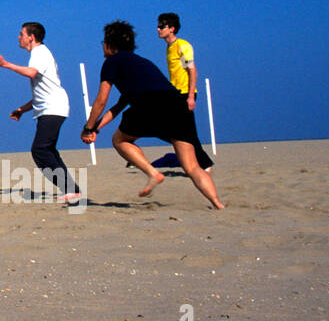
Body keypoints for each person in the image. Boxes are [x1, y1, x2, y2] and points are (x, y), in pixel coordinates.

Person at [79, 21, 225, 209]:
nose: (102, 47)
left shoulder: (111, 62)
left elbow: (101, 100)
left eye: (103, 43)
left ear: (110, 45)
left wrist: (88, 127)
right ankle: (217, 203)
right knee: (192, 166)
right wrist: (96, 128)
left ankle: (152, 173)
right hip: (177, 105)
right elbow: (117, 107)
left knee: (119, 140)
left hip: (150, 104)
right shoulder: (142, 63)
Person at [0, 22, 81, 202]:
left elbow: (31, 73)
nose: (19, 37)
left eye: (21, 34)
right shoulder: (39, 53)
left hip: (54, 108)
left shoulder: (39, 52)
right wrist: (22, 109)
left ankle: (70, 189)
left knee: (40, 150)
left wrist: (6, 64)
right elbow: (43, 92)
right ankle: (72, 190)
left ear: (31, 37)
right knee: (48, 150)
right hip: (50, 107)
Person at [154, 12, 215, 171]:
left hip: (184, 94)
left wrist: (190, 97)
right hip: (174, 94)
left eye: (162, 26)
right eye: (159, 26)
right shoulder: (169, 47)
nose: (158, 29)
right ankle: (199, 162)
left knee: (188, 131)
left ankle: (204, 164)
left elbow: (192, 70)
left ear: (172, 29)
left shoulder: (183, 46)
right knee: (179, 130)